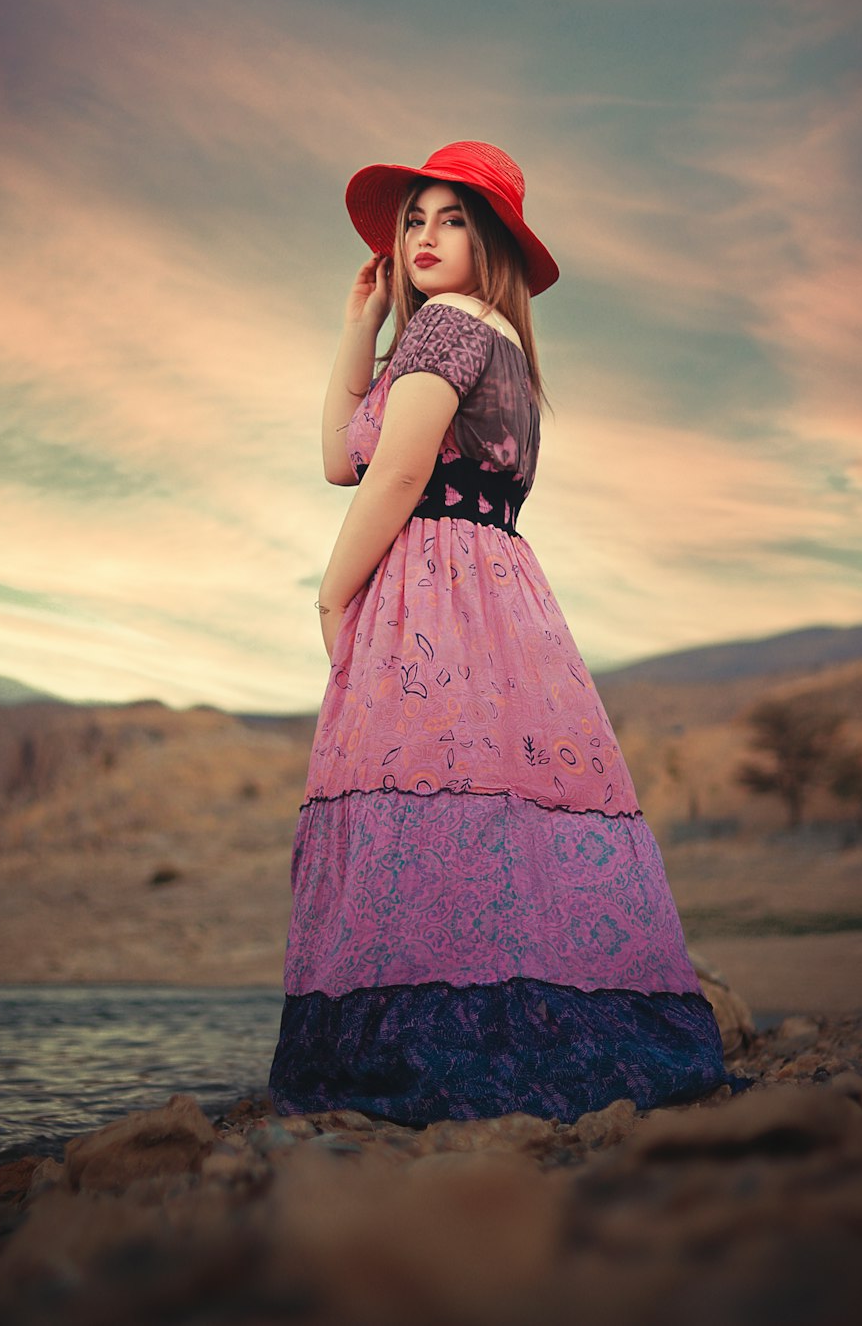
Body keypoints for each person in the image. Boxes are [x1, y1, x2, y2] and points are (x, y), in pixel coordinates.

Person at [267, 141, 742, 1123]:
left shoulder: (446, 327)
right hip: (498, 590)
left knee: (424, 806)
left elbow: (392, 477)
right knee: (501, 816)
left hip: (434, 588)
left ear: (493, 245)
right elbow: (336, 456)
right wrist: (359, 324)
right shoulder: (496, 344)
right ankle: (554, 1033)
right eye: (414, 220)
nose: (426, 237)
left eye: (452, 220)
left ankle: (429, 1061)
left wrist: (329, 593)